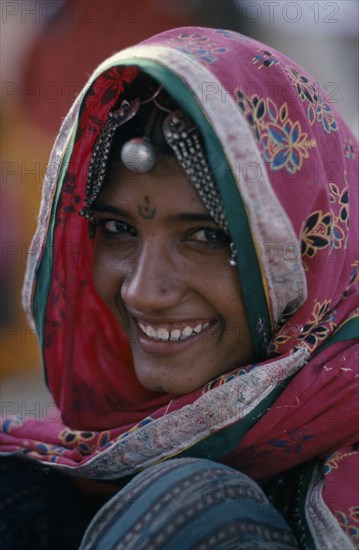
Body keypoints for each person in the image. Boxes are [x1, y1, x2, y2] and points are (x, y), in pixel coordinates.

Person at [1, 27, 358, 549]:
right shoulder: (95, 447)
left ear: (306, 246)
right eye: (117, 229)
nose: (143, 292)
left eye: (207, 237)